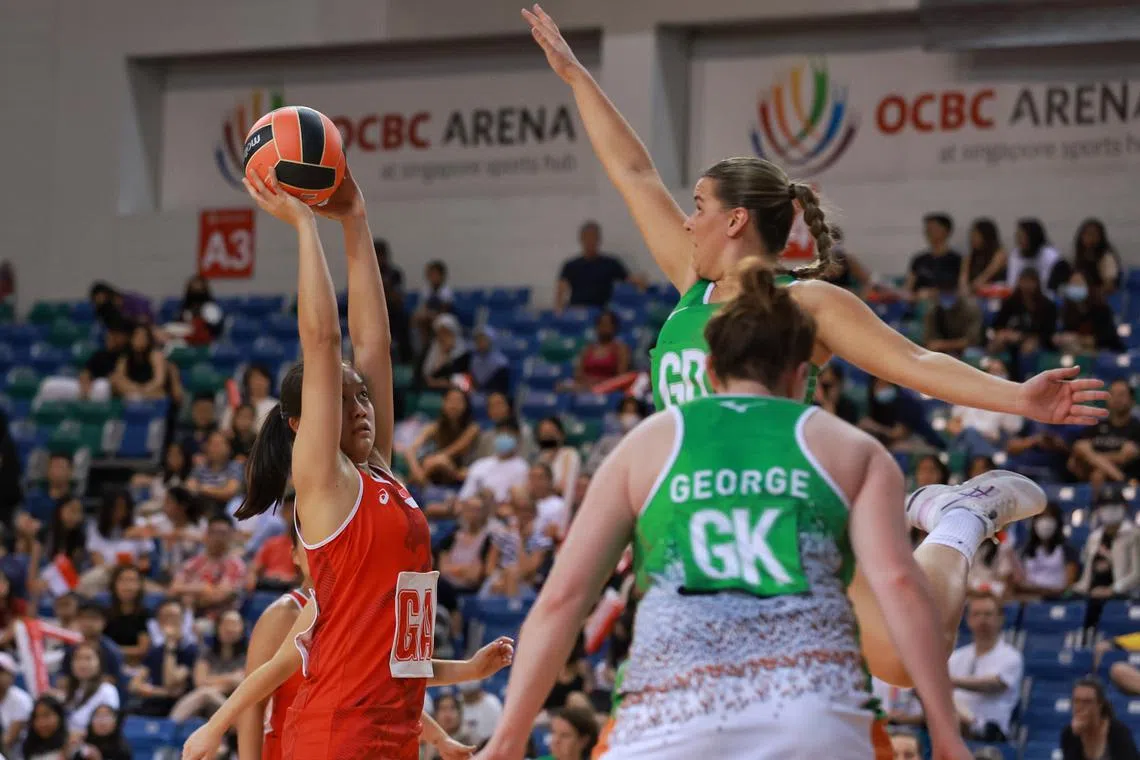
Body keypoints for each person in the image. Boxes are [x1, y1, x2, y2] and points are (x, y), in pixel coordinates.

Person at [520, 1, 1103, 689]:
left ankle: (957, 520)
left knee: (909, 659)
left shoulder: (807, 302)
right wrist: (576, 76)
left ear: (735, 220)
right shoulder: (691, 284)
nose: (687, 220)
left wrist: (1019, 398)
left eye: (700, 208)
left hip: (788, 499)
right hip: (700, 512)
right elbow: (635, 174)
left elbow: (914, 364)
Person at [474, 258, 978, 759]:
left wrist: (509, 737)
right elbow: (899, 587)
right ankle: (960, 526)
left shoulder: (649, 444)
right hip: (812, 719)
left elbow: (563, 599)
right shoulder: (852, 448)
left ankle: (960, 522)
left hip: (669, 721)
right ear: (801, 374)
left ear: (709, 370)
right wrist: (947, 734)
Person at [182, 167, 512, 760]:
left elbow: (373, 345)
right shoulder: (325, 483)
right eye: (341, 397)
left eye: (361, 396)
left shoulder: (381, 473)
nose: (360, 405)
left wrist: (356, 218)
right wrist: (306, 226)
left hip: (393, 726)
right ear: (303, 425)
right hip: (337, 732)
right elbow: (325, 343)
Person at [1060, 677, 1140, 760]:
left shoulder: (1117, 731)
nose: (1080, 707)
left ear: (1100, 704)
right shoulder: (1069, 733)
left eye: (1087, 702)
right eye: (1076, 701)